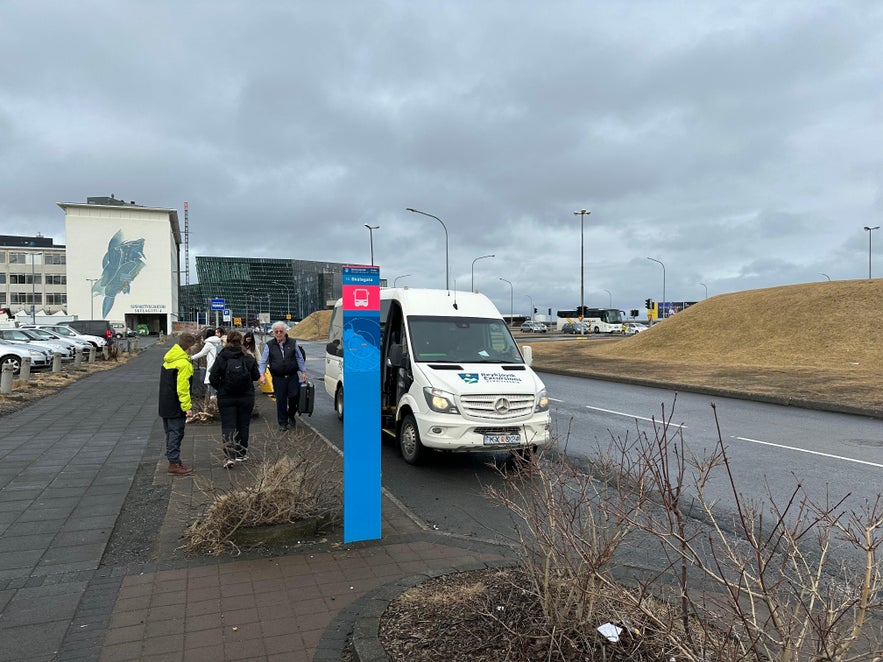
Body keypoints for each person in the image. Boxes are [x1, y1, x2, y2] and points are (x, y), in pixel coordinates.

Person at [210, 330, 260, 468]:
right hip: (246, 396)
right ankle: (241, 453)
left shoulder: (222, 357)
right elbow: (256, 376)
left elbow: (212, 377)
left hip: (226, 397)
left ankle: (229, 455)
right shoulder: (248, 357)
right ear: (242, 342)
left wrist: (221, 388)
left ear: (227, 341)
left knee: (228, 425)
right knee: (243, 425)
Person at [158, 331, 198, 476]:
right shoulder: (184, 364)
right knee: (176, 433)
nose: (194, 348)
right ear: (189, 346)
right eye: (193, 346)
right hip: (176, 405)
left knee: (170, 433)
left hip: (165, 403)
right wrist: (187, 407)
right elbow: (183, 388)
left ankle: (173, 459)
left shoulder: (168, 360)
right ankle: (174, 463)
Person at [259, 321, 306, 431]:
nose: (279, 333)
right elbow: (263, 361)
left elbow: (299, 358)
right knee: (281, 401)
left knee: (294, 396)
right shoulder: (269, 345)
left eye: (281, 331)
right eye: (276, 332)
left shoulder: (292, 343)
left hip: (292, 376)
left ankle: (291, 415)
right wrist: (262, 374)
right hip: (278, 377)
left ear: (285, 332)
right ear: (274, 333)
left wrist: (303, 372)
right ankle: (282, 423)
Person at [190, 327, 223, 399]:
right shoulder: (218, 342)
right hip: (218, 364)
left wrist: (190, 357)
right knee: (216, 381)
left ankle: (212, 401)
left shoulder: (209, 344)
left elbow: (201, 353)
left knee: (210, 382)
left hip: (211, 365)